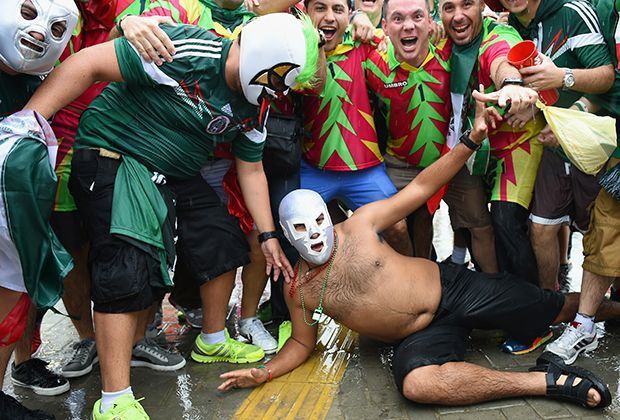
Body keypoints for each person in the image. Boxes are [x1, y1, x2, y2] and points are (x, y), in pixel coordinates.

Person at [217, 87, 619, 411]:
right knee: (418, 385)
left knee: (555, 307)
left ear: (329, 214)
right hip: (420, 337)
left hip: (453, 288)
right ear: (287, 234)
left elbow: (422, 186)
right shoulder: (298, 289)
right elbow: (302, 344)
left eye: (320, 221)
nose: (317, 234)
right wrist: (265, 374)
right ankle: (546, 384)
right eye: (302, 229)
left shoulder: (359, 225)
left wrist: (472, 138)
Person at [22, 13, 318, 418]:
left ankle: (212, 338)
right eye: (282, 79)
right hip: (116, 153)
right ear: (269, 61)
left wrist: (268, 236)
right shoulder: (185, 50)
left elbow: (251, 168)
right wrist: (27, 125)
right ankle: (114, 400)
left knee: (222, 237)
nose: (281, 93)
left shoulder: (257, 105)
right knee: (126, 261)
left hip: (173, 171)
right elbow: (87, 63)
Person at [0, 0, 78, 417]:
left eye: (56, 27)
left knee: (15, 299)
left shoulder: (39, 84)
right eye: (28, 12)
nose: (38, 32)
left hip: (16, 213)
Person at [301, 0, 413, 257]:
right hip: (313, 169)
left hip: (365, 170)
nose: (329, 17)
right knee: (300, 231)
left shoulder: (362, 47)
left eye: (338, 10)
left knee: (397, 227)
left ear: (348, 15)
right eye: (320, 8)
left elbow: (393, 81)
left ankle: (412, 287)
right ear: (306, 12)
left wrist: (377, 34)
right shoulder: (296, 49)